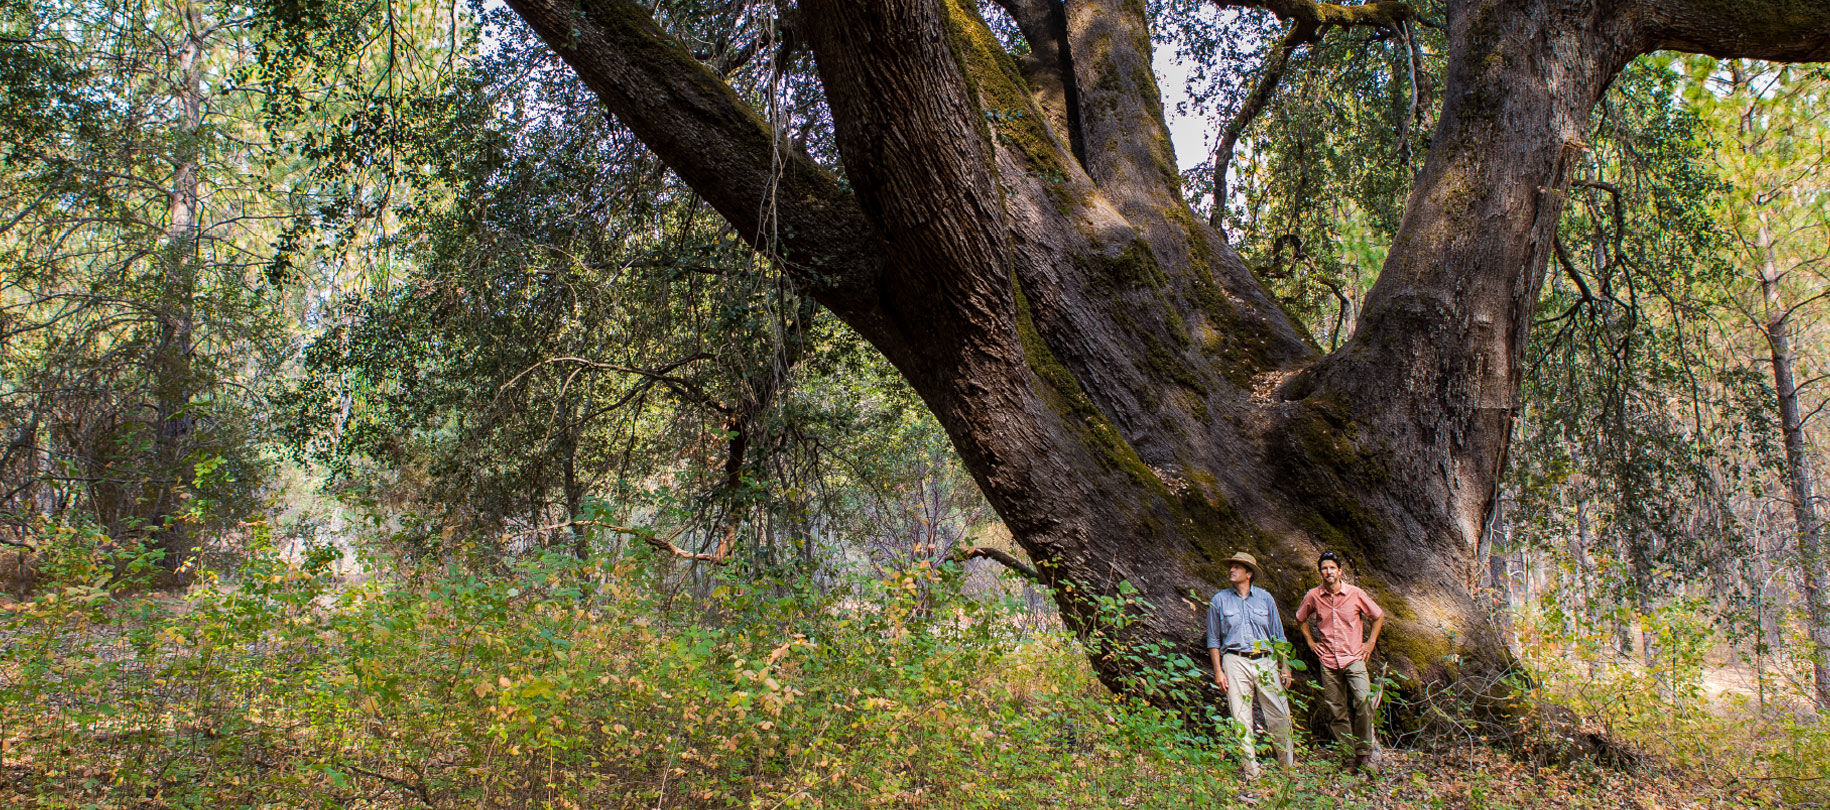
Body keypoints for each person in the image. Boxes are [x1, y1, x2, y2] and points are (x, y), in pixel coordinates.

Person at [1295, 550, 1386, 772]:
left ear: (1340, 571)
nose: (1328, 572)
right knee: (1337, 710)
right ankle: (1348, 757)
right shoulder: (1314, 596)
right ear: (1320, 572)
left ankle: (1364, 753)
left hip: (1354, 657)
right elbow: (1300, 619)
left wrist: (1370, 643)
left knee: (1363, 702)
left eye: (1332, 568)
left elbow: (1378, 615)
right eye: (1324, 568)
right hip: (1328, 660)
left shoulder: (1355, 594)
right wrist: (1310, 642)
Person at [1206, 551, 1294, 777]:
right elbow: (1214, 640)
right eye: (1231, 566)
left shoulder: (1265, 599)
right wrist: (1219, 671)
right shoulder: (1219, 600)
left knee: (1280, 714)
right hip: (1234, 660)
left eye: (1237, 567)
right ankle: (1252, 772)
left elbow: (1278, 636)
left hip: (1265, 660)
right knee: (1241, 716)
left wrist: (1285, 666)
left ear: (1249, 574)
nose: (1231, 570)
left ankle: (1287, 769)